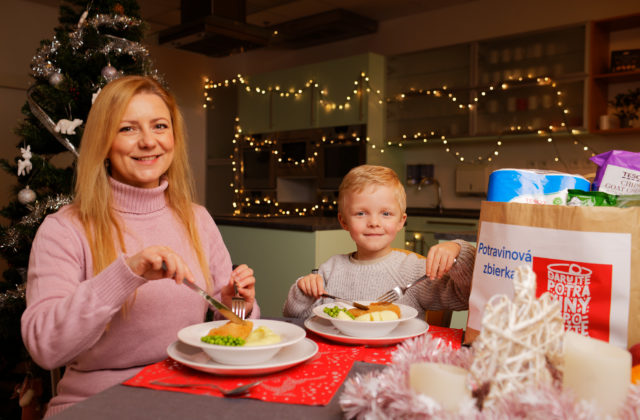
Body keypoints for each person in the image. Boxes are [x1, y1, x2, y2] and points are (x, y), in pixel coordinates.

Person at [21, 75, 260, 417]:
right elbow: (45, 347)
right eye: (128, 129)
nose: (149, 141)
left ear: (173, 138)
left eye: (160, 126)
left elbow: (236, 325)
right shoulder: (63, 229)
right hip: (99, 404)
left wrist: (237, 305)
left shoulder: (198, 219)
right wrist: (127, 273)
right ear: (104, 141)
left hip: (190, 392)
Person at [283, 164, 474, 320]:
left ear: (401, 221)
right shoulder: (330, 270)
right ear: (344, 221)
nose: (374, 223)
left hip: (396, 362)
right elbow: (294, 315)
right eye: (361, 213)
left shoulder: (414, 271)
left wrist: (459, 250)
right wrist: (303, 290)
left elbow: (466, 297)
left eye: (386, 213)